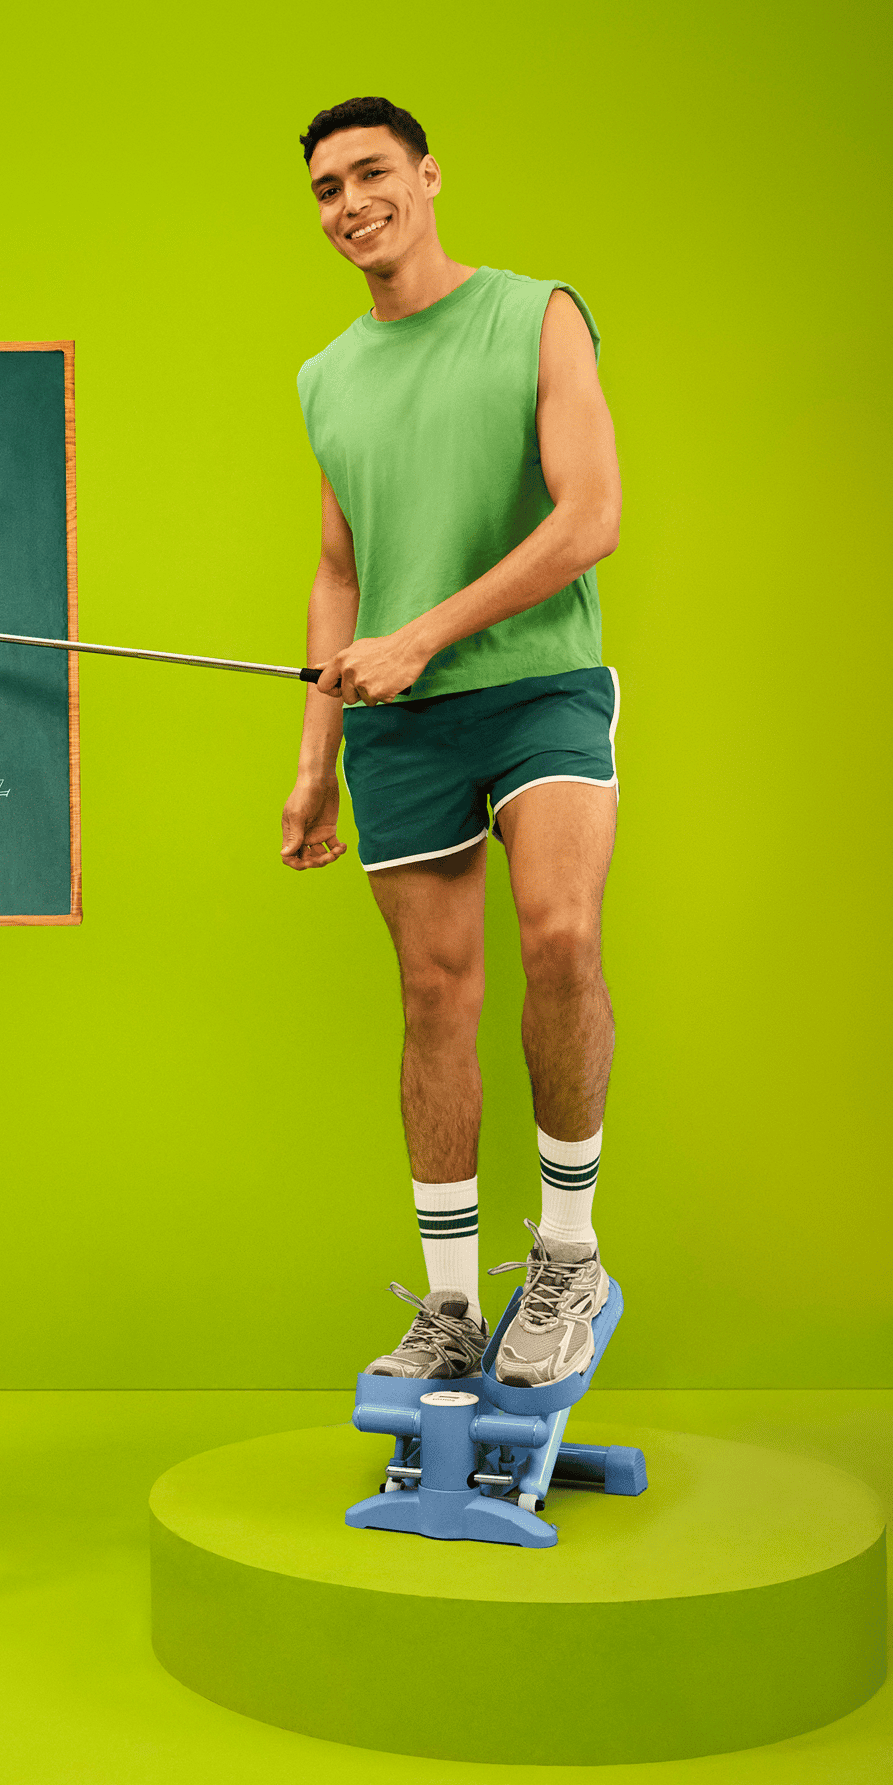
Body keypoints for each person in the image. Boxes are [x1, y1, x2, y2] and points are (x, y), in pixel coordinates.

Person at [279, 97, 623, 1388]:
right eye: (325, 188)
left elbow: (590, 517)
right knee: (434, 995)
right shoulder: (325, 376)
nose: (350, 201)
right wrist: (313, 762)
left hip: (538, 684)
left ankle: (570, 1255)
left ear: (427, 175)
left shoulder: (537, 311)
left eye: (370, 173)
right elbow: (334, 570)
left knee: (560, 934)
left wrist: (423, 634)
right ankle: (449, 1306)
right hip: (397, 724)